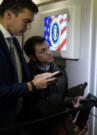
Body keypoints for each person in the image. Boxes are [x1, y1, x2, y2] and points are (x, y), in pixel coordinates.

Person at [0, 0, 59, 129]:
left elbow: (17, 79)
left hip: (19, 117)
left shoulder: (14, 40)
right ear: (9, 15)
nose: (29, 27)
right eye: (26, 21)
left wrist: (35, 80)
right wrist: (30, 85)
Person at [22, 35, 81, 121]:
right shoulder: (26, 74)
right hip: (35, 123)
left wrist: (72, 100)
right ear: (32, 57)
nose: (49, 53)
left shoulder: (60, 71)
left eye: (48, 48)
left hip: (56, 121)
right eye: (43, 51)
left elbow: (61, 97)